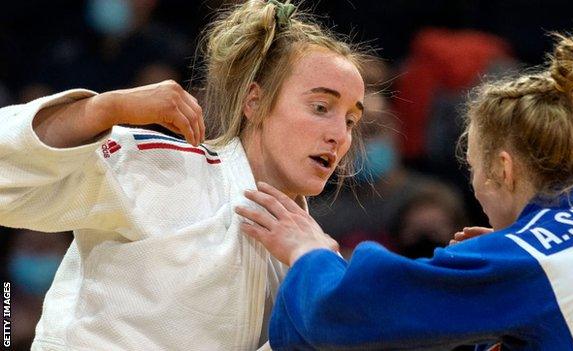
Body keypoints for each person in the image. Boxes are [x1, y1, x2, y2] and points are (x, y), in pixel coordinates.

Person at [0, 0, 367, 349]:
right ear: (254, 101)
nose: (340, 135)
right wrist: (102, 108)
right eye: (321, 107)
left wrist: (319, 279)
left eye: (351, 120)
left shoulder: (308, 256)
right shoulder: (163, 168)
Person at [236, 34, 573, 350]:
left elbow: (344, 315)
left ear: (504, 169)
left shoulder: (524, 261)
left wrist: (310, 252)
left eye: (474, 168)